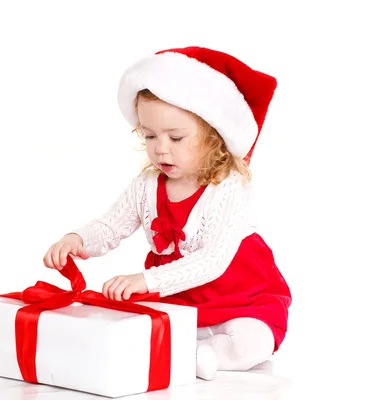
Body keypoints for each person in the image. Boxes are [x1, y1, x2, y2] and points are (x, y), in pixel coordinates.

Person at [42, 46, 292, 381]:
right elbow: (111, 225)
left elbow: (213, 259)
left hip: (242, 299)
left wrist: (146, 281)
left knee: (252, 341)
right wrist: (78, 239)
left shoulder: (229, 187)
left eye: (176, 137)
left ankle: (211, 353)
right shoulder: (147, 185)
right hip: (178, 299)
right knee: (131, 328)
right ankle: (188, 346)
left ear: (213, 136)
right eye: (149, 135)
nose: (161, 147)